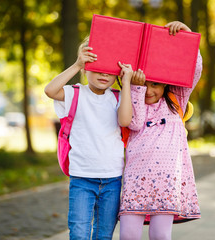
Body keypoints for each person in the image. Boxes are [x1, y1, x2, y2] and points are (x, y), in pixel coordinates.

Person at [119, 21, 203, 240]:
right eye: (144, 84)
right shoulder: (132, 100)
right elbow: (134, 123)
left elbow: (194, 68)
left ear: (165, 84)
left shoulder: (176, 101)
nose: (149, 90)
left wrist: (186, 34)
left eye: (155, 84)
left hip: (167, 183)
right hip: (136, 180)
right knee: (128, 235)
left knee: (160, 236)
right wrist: (135, 87)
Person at [44, 36, 133, 240]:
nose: (103, 73)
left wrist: (126, 82)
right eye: (97, 66)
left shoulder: (119, 97)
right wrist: (77, 64)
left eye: (110, 70)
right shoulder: (75, 94)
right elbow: (50, 90)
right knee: (79, 232)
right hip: (82, 177)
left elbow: (126, 120)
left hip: (113, 179)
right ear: (86, 68)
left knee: (104, 234)